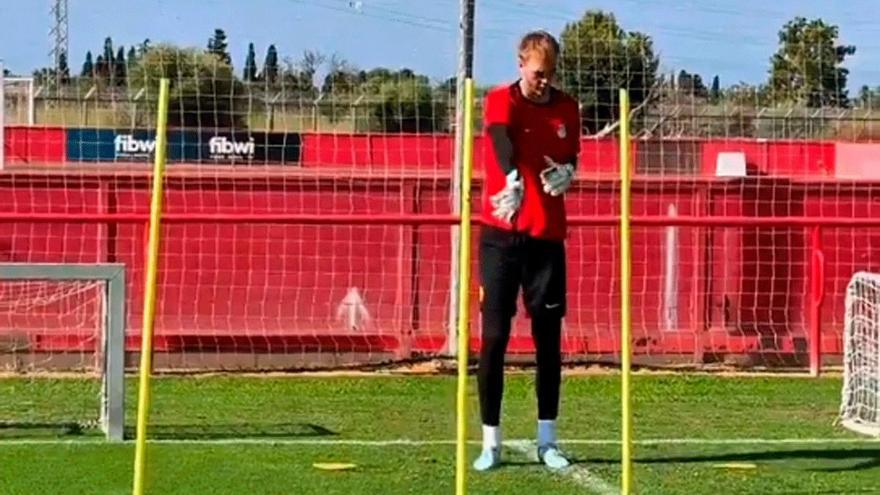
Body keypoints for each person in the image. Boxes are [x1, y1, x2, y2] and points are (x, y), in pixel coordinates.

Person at [473, 30, 580, 472]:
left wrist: (570, 170)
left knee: (548, 342)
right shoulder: (502, 100)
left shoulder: (567, 107)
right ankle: (491, 442)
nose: (544, 82)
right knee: (494, 338)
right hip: (501, 234)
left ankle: (547, 439)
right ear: (521, 63)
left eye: (550, 74)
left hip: (547, 238)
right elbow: (501, 141)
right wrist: (512, 177)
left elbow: (570, 152)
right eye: (538, 73)